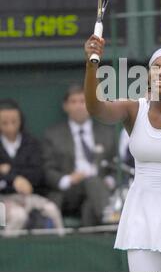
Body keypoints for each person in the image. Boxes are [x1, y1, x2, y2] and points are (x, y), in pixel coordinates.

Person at [84, 25, 161, 272]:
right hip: (141, 221)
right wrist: (91, 65)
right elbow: (96, 109)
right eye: (157, 67)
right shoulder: (134, 109)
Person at [43, 84, 116, 226]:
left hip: (99, 189)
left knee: (89, 205)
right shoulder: (53, 135)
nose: (79, 106)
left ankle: (93, 240)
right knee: (92, 183)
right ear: (65, 106)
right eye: (73, 102)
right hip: (69, 191)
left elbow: (117, 166)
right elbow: (47, 168)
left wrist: (109, 181)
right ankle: (112, 223)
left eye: (83, 101)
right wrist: (68, 179)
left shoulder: (107, 133)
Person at [0, 99, 63, 232]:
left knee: (51, 210)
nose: (10, 126)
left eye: (14, 121)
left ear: (20, 121)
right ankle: (6, 252)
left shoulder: (31, 143)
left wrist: (9, 171)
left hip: (28, 197)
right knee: (18, 216)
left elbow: (37, 174)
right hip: (2, 201)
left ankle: (60, 249)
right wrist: (14, 179)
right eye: (4, 122)